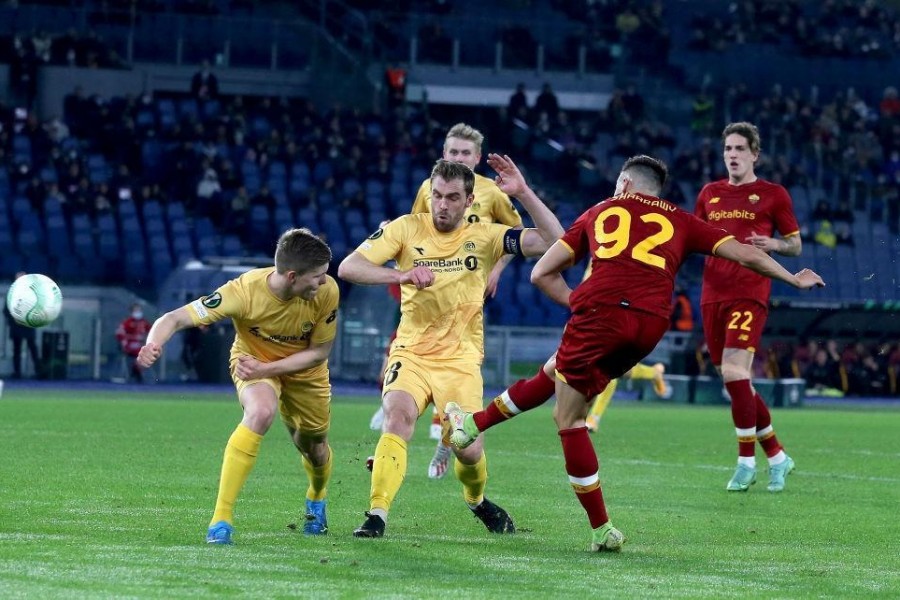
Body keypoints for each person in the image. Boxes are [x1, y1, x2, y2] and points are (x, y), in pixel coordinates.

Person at [447, 155, 824, 551]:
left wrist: (580, 302)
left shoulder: (601, 211)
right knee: (554, 369)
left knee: (568, 417)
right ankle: (472, 425)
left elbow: (541, 272)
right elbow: (747, 254)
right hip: (649, 326)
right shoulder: (681, 219)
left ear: (625, 183)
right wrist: (792, 278)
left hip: (601, 314)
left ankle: (601, 529)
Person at [338, 156, 563, 538]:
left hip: (459, 360)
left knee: (467, 450)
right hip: (411, 351)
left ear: (468, 200)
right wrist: (401, 273)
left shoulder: (488, 236)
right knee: (397, 418)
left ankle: (476, 500)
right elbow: (348, 267)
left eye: (452, 198)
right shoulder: (406, 228)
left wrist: (523, 192)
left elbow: (554, 240)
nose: (442, 205)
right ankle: (376, 515)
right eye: (436, 195)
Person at [136, 228, 339, 544]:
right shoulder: (242, 292)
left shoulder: (327, 293)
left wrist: (268, 367)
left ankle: (317, 495)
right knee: (260, 412)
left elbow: (319, 352)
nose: (324, 282)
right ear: (291, 276)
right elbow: (174, 318)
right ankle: (220, 521)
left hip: (305, 373)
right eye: (317, 276)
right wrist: (153, 343)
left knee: (312, 445)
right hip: (252, 362)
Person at [410, 122, 524, 480]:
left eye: (465, 153)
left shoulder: (490, 193)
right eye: (453, 152)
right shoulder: (429, 188)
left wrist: (498, 269)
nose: (459, 158)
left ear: (477, 158)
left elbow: (518, 233)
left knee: (458, 361)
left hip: (468, 287)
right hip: (430, 288)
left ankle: (448, 432)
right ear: (444, 154)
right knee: (423, 355)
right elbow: (414, 227)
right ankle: (431, 425)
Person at [694, 122, 803, 493]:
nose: (733, 155)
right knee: (734, 380)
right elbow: (696, 237)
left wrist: (774, 245)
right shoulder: (709, 194)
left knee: (734, 371)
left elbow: (795, 245)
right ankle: (776, 455)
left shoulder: (773, 195)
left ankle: (745, 462)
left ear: (755, 154)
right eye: (728, 149)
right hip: (712, 294)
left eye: (740, 148)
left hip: (750, 291)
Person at [4, 272, 41, 379]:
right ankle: (17, 372)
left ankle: (38, 371)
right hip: (16, 326)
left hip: (28, 325)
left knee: (33, 347)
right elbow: (6, 311)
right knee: (17, 349)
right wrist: (14, 318)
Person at [116, 303, 151, 383]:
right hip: (130, 346)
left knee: (144, 354)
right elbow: (119, 334)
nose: (138, 312)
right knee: (139, 354)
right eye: (136, 310)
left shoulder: (143, 322)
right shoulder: (127, 322)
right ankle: (136, 372)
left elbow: (151, 330)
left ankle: (136, 371)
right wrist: (131, 338)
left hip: (140, 346)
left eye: (139, 310)